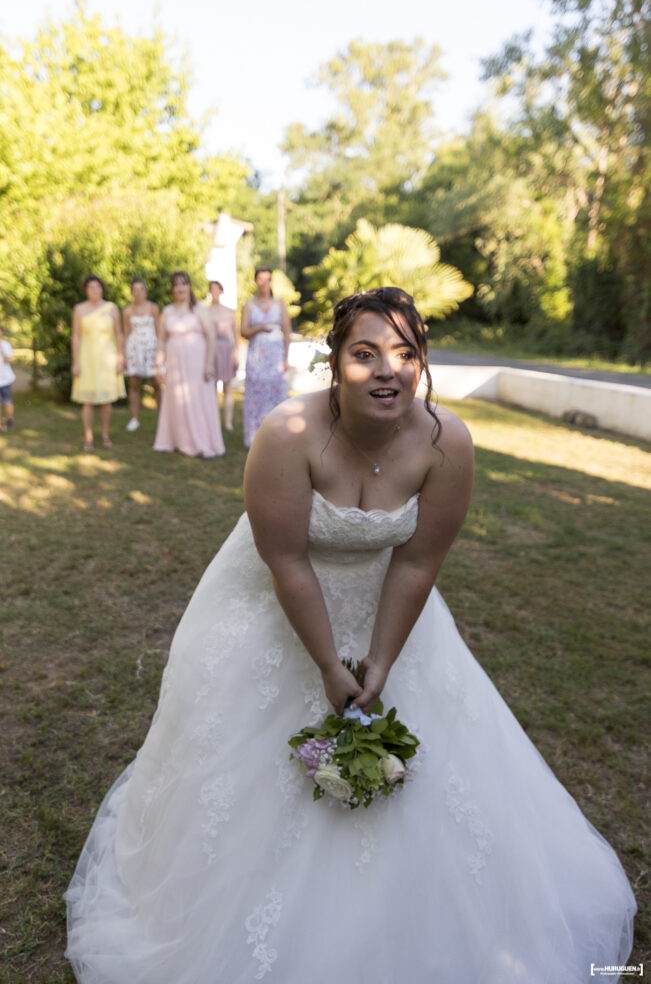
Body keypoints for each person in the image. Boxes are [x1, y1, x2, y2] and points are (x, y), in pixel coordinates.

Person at [66, 288, 635, 983]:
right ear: (332, 362)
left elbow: (418, 559)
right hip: (273, 602)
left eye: (404, 354)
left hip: (387, 610)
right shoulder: (287, 434)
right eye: (364, 354)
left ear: (422, 364)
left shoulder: (444, 441)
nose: (386, 370)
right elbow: (286, 560)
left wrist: (381, 660)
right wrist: (330, 669)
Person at [153, 271, 224, 459]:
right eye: (176, 284)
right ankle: (178, 440)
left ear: (189, 287)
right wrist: (159, 366)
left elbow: (211, 337)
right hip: (175, 364)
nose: (180, 288)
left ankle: (201, 441)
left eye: (183, 284)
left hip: (197, 363)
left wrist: (209, 364)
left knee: (197, 400)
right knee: (176, 399)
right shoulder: (167, 311)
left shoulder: (200, 309)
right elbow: (160, 340)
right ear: (172, 289)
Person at [71, 275, 125, 452]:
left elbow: (118, 334)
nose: (95, 290)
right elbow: (76, 336)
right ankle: (88, 437)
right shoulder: (79, 309)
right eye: (91, 287)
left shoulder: (112, 309)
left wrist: (120, 357)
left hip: (107, 358)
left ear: (102, 289)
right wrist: (76, 361)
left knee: (106, 401)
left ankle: (105, 434)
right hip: (87, 357)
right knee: (87, 401)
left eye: (97, 287)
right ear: (86, 290)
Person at [240, 265, 291, 447]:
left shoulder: (280, 304)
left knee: (276, 392)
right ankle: (254, 435)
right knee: (256, 393)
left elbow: (287, 331)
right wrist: (260, 328)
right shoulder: (249, 304)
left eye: (267, 279)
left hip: (276, 355)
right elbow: (243, 331)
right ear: (256, 281)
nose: (264, 284)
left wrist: (286, 358)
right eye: (260, 279)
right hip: (257, 355)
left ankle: (279, 433)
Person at [123, 278, 161, 432]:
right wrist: (124, 355)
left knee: (156, 384)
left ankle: (162, 417)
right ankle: (134, 418)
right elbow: (126, 333)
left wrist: (160, 351)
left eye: (141, 289)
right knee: (134, 384)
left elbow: (159, 331)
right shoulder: (127, 311)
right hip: (134, 349)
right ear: (132, 292)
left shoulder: (153, 308)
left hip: (151, 348)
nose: (138, 293)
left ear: (145, 291)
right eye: (135, 289)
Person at [208, 279, 238, 432]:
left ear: (221, 291)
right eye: (211, 289)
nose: (214, 292)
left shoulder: (230, 312)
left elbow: (236, 334)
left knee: (227, 386)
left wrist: (236, 353)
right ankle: (212, 420)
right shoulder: (205, 311)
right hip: (211, 351)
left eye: (217, 289)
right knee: (211, 387)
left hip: (226, 349)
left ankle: (228, 422)